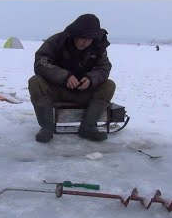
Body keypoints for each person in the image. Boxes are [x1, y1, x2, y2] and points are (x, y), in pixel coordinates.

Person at [28, 14, 116, 143]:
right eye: (81, 37)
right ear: (75, 34)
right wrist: (64, 76)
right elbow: (41, 62)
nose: (84, 42)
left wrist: (90, 79)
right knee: (35, 82)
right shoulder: (57, 41)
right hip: (57, 91)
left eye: (89, 39)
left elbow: (104, 68)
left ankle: (88, 127)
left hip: (84, 93)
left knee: (109, 85)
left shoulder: (98, 45)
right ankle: (47, 128)